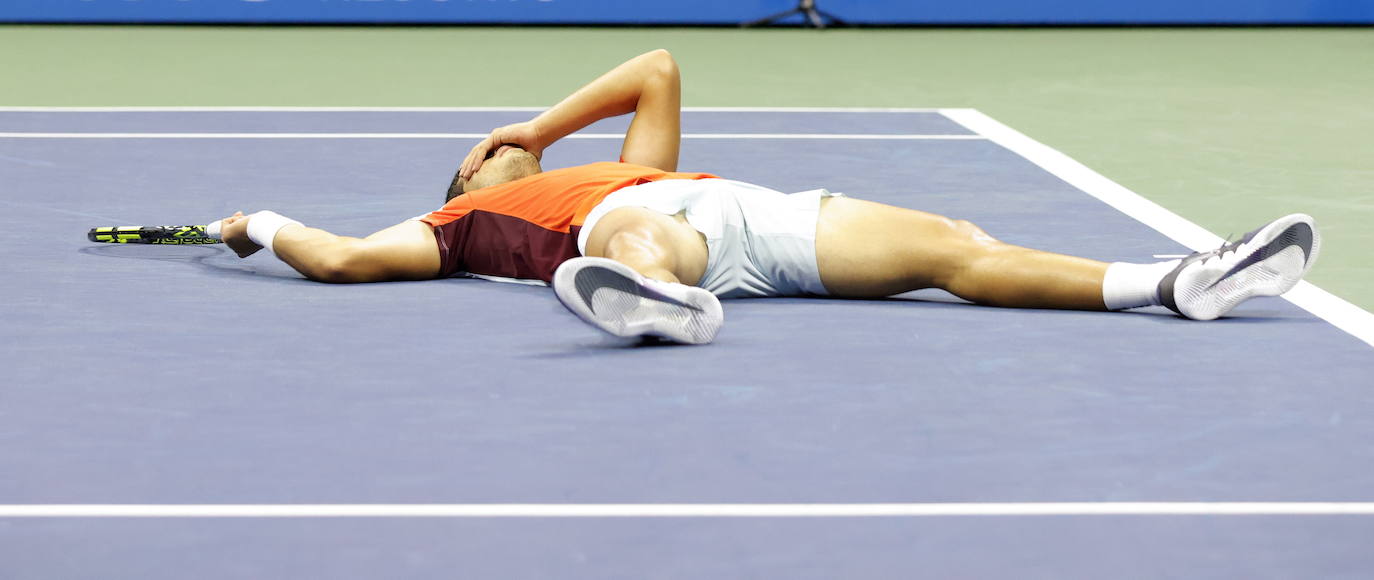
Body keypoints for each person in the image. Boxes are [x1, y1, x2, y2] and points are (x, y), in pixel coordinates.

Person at [218, 49, 1320, 345]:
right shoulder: (458, 228)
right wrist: (257, 225)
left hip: (750, 215)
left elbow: (657, 65)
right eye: (481, 153)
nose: (491, 151)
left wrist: (540, 126)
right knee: (635, 233)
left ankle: (1176, 284)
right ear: (465, 185)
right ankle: (653, 300)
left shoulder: (613, 153)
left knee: (949, 244)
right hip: (627, 241)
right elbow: (344, 259)